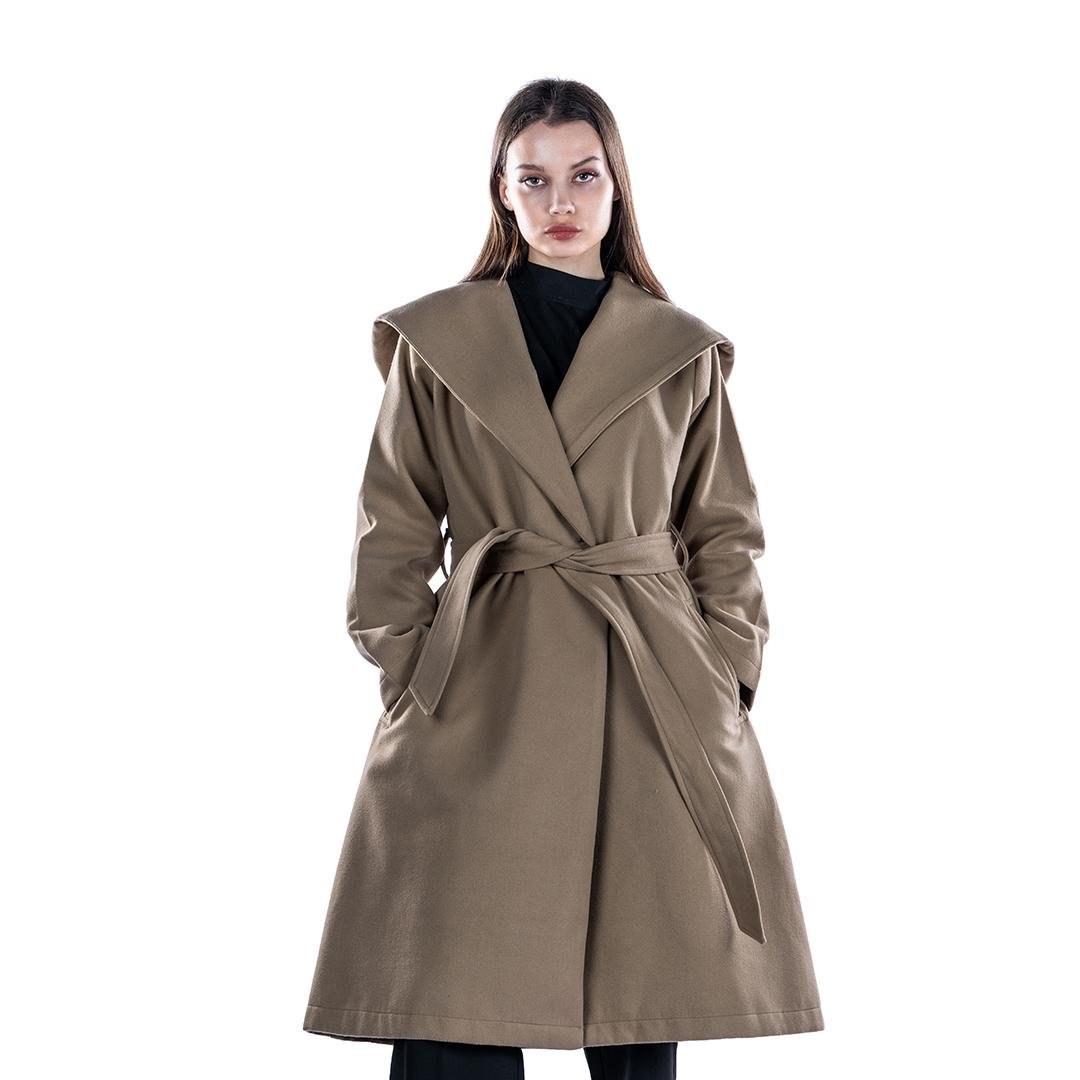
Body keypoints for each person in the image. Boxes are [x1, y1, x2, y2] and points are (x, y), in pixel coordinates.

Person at [303, 78, 824, 1079]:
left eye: (583, 176)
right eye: (533, 179)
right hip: (481, 684)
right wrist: (414, 671)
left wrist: (724, 677)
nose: (560, 203)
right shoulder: (438, 344)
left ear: (618, 185)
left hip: (650, 688)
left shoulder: (679, 352)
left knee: (640, 995)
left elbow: (725, 532)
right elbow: (392, 529)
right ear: (500, 192)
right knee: (453, 1002)